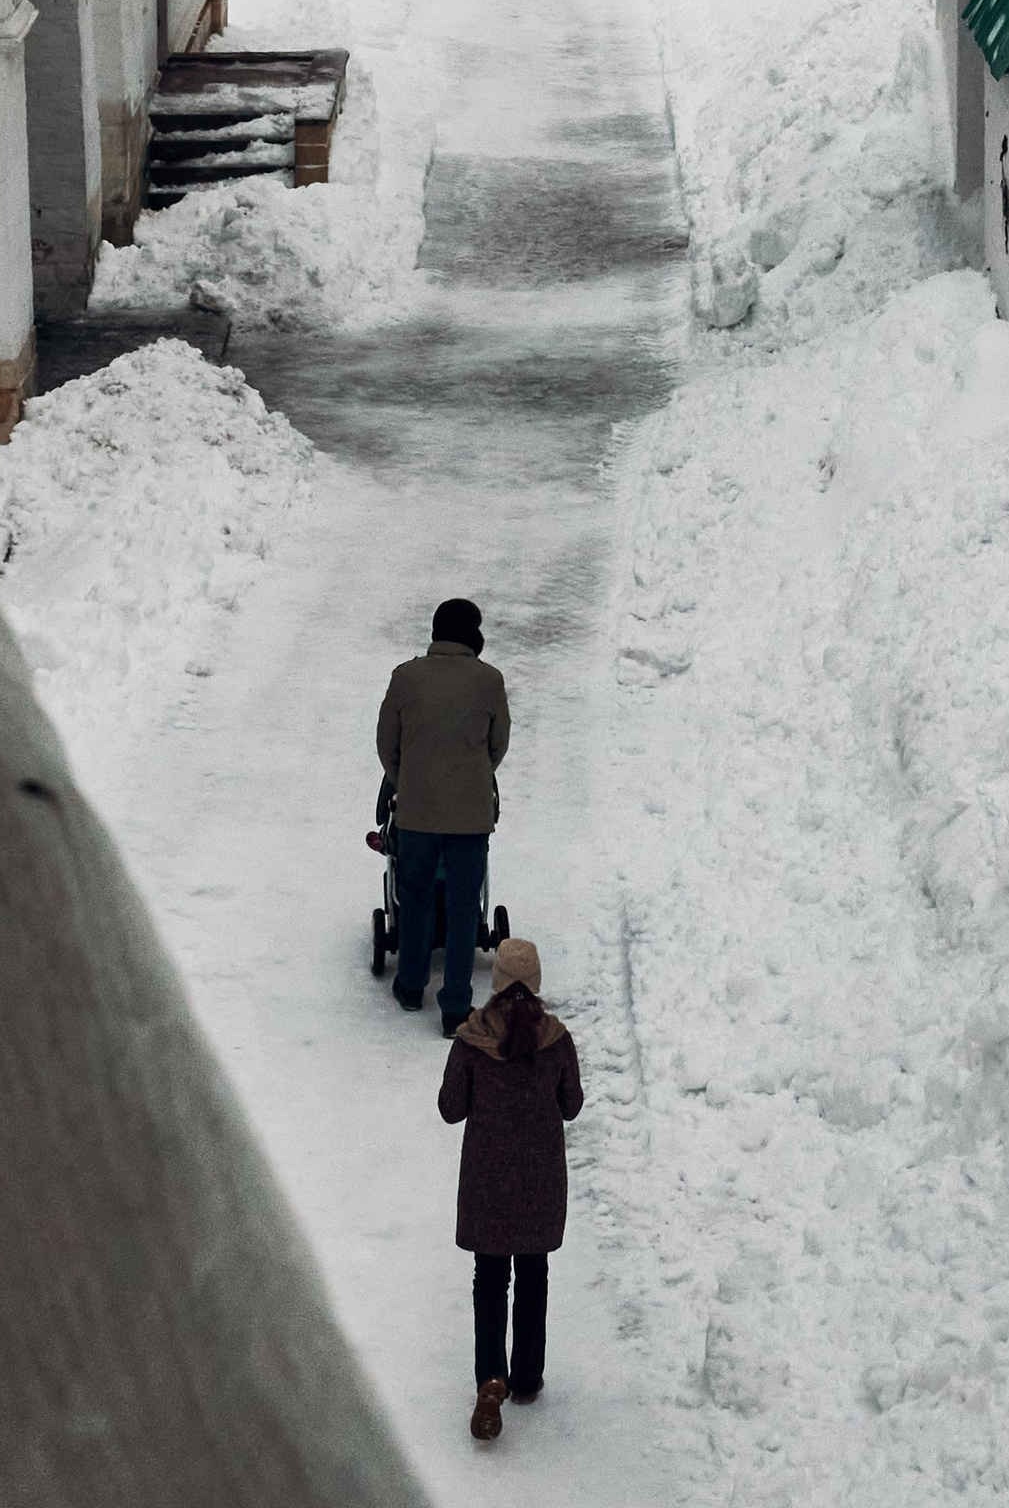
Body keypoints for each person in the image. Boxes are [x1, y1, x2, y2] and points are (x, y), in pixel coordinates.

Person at [440, 938, 583, 1441]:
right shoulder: (557, 1040)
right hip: (540, 1182)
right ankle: (526, 1379)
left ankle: (490, 1378)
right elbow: (572, 1105)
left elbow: (451, 1108)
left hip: (486, 1182)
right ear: (537, 982)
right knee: (533, 1277)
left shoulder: (472, 1040)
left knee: (490, 1279)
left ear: (496, 982)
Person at [376, 598, 509, 1034]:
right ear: (473, 635)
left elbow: (387, 744)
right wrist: (473, 777)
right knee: (463, 906)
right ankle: (455, 1008)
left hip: (416, 815)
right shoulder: (490, 681)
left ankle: (412, 987)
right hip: (470, 819)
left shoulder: (406, 677)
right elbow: (498, 745)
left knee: (413, 898)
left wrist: (406, 781)